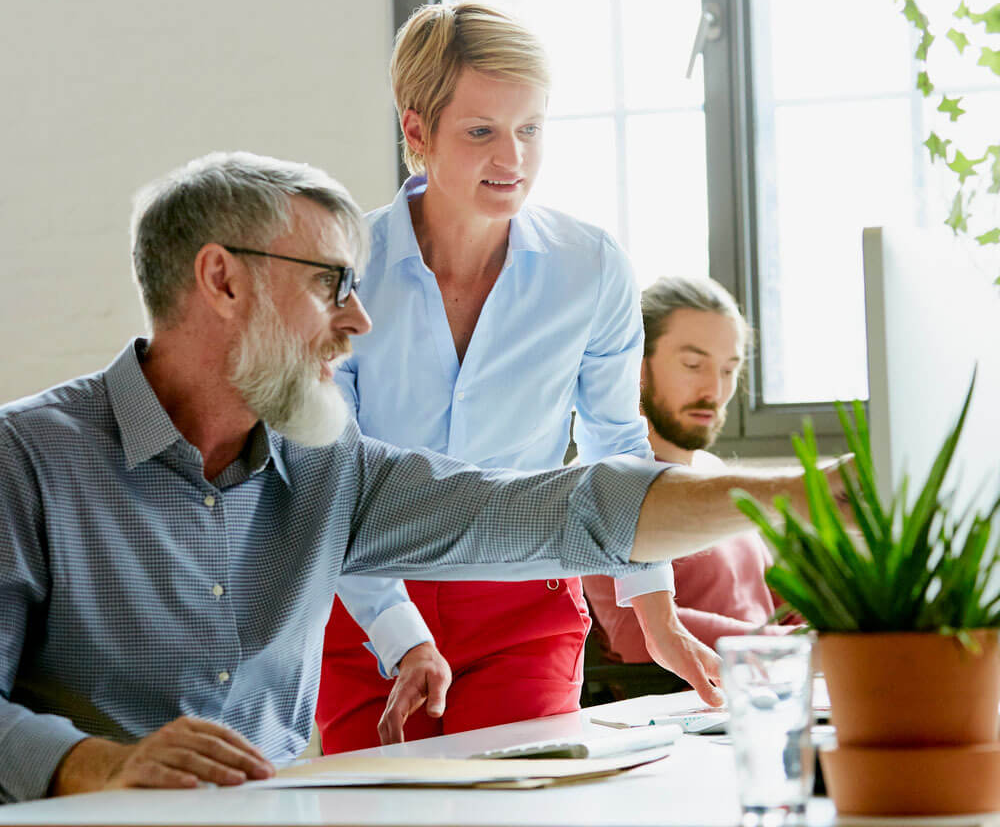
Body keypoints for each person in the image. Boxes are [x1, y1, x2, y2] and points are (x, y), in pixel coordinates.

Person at [0, 151, 838, 803]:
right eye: (331, 285)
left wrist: (794, 495)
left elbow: (559, 513)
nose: (358, 321)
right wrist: (99, 765)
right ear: (222, 279)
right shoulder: (26, 460)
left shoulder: (327, 472)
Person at [316, 0, 719, 754]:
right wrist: (401, 635)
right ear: (416, 131)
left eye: (530, 129)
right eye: (481, 132)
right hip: (365, 602)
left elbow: (614, 441)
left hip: (525, 601)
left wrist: (654, 612)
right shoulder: (341, 274)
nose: (514, 159)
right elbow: (328, 474)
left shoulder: (589, 267)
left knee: (516, 800)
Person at [584, 276, 803, 662]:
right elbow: (631, 632)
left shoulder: (711, 470)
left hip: (762, 690)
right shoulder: (604, 481)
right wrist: (781, 647)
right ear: (635, 365)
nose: (714, 391)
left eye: (728, 371)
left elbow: (775, 599)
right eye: (693, 364)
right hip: (684, 704)